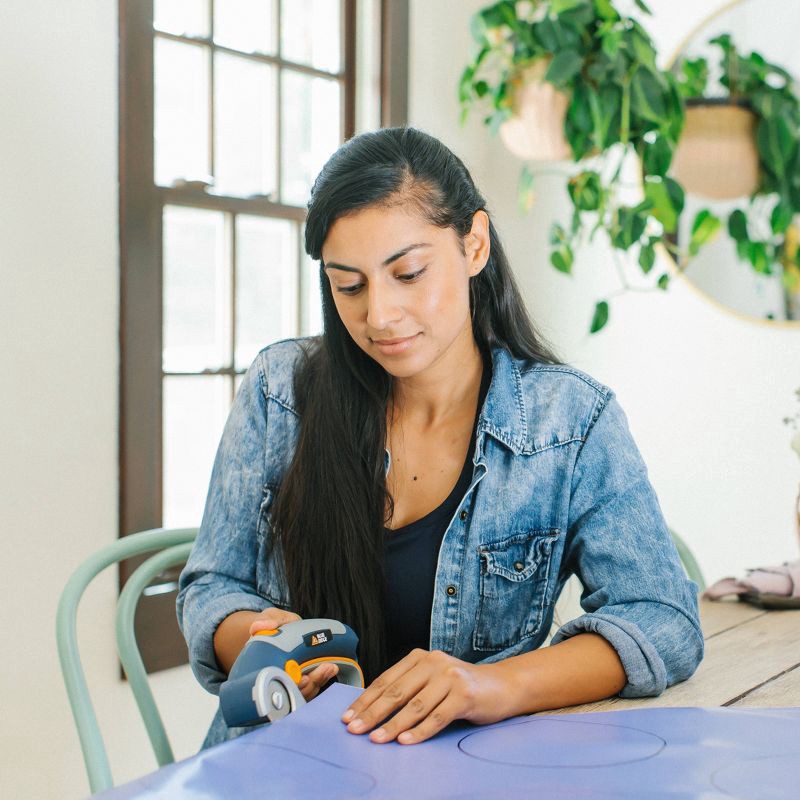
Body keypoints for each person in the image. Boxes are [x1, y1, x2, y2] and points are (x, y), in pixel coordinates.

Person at [177, 126, 703, 749]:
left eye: (408, 272)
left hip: (466, 770)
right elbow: (211, 588)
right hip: (280, 762)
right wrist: (264, 639)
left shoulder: (569, 421)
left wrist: (491, 686)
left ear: (474, 244)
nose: (379, 315)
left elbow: (663, 619)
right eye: (348, 285)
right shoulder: (280, 392)